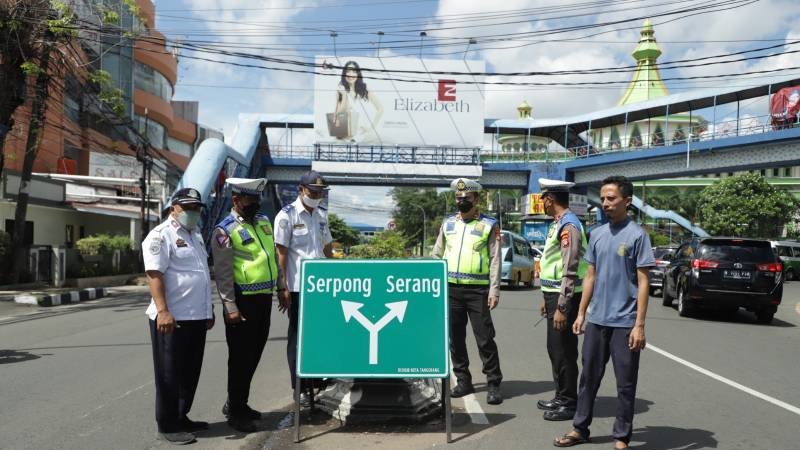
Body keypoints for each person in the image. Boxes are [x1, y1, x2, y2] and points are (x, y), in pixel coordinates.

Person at [554, 176, 655, 450]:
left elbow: (643, 281)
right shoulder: (596, 234)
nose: (605, 203)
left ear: (627, 201)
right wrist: (581, 313)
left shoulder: (638, 236)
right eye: (603, 198)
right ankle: (579, 428)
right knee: (588, 379)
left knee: (625, 384)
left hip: (624, 323)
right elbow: (590, 276)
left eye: (611, 198)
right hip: (597, 320)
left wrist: (639, 325)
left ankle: (621, 437)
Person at [143, 187, 214, 445]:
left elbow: (201, 275)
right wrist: (163, 311)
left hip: (196, 316)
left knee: (189, 372)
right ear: (174, 208)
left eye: (196, 208)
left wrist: (209, 310)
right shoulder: (160, 236)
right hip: (171, 318)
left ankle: (181, 415)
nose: (193, 212)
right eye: (188, 207)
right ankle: (167, 424)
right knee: (169, 373)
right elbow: (154, 274)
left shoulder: (196, 235)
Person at [211, 178, 279, 433]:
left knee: (255, 355)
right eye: (250, 199)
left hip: (264, 299)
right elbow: (223, 274)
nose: (255, 204)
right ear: (236, 200)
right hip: (242, 302)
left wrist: (281, 286)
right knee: (240, 359)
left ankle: (239, 402)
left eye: (257, 199)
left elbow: (271, 256)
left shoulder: (262, 222)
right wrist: (230, 307)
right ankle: (236, 413)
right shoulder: (224, 230)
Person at [431, 177, 503, 405]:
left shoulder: (489, 225)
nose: (461, 201)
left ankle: (493, 383)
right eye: (458, 197)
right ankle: (463, 380)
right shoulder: (448, 224)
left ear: (476, 199)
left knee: (485, 339)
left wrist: (495, 290)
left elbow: (495, 260)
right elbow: (436, 254)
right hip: (451, 290)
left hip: (478, 292)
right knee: (456, 339)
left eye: (466, 198)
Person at [273, 170, 333, 408]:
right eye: (313, 192)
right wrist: (282, 286)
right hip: (298, 287)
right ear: (301, 190)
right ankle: (298, 387)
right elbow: (281, 253)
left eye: (320, 193)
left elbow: (327, 248)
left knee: (319, 335)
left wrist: (337, 274)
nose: (317, 196)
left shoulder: (321, 216)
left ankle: (316, 381)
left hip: (321, 288)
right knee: (298, 337)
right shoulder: (285, 216)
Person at [537, 178, 588, 422]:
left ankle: (568, 403)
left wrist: (561, 306)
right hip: (553, 295)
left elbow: (570, 268)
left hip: (564, 297)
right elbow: (552, 266)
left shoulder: (569, 226)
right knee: (554, 349)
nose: (542, 203)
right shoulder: (558, 224)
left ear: (550, 199)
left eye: (543, 199)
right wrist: (545, 298)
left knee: (564, 350)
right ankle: (561, 395)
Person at [333, 60, 383, 143]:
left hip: (363, 136)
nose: (351, 74)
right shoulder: (340, 90)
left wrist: (371, 128)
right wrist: (345, 95)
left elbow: (380, 108)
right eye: (348, 71)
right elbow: (338, 113)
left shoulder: (364, 89)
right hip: (346, 137)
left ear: (358, 74)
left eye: (354, 71)